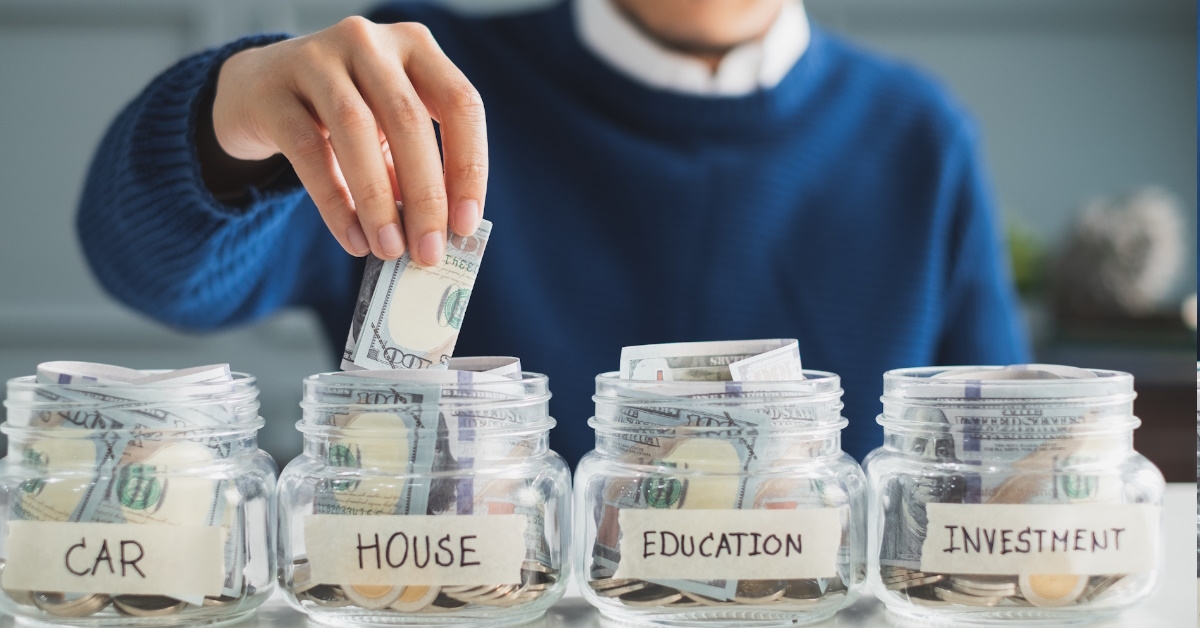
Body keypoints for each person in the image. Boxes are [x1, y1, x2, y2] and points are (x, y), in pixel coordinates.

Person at [77, 0, 1029, 467]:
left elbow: (1006, 462)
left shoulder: (920, 139)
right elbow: (152, 268)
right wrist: (226, 117)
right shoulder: (424, 90)